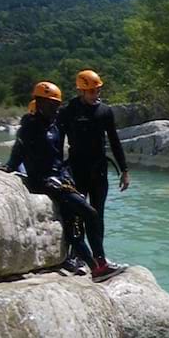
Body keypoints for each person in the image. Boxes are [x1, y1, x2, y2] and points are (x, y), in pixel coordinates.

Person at [3, 81, 127, 282]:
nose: (55, 109)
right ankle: (98, 265)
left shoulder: (53, 125)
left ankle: (94, 267)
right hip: (46, 181)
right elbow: (17, 154)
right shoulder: (29, 127)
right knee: (90, 213)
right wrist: (8, 169)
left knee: (73, 223)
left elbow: (57, 156)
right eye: (51, 105)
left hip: (60, 177)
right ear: (40, 103)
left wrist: (65, 173)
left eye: (56, 105)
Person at [57, 69, 130, 242]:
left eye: (98, 90)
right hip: (76, 170)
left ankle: (99, 257)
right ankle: (78, 255)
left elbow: (114, 141)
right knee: (78, 214)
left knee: (98, 214)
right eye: (91, 90)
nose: (96, 93)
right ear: (80, 90)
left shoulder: (105, 111)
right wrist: (58, 170)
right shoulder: (68, 111)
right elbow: (58, 142)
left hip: (99, 171)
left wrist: (124, 170)